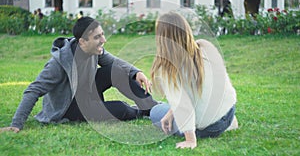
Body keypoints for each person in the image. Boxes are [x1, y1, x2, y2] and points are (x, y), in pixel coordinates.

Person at [0, 17, 158, 133]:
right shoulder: (58, 64)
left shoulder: (95, 50)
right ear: (82, 42)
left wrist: (137, 71)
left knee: (116, 70)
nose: (103, 40)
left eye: (102, 34)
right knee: (120, 108)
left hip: (88, 94)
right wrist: (16, 124)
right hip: (70, 108)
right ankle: (142, 113)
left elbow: (115, 63)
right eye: (97, 37)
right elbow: (33, 90)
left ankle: (154, 108)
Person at [149, 12, 238, 149]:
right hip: (229, 112)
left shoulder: (169, 68)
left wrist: (190, 139)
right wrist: (172, 112)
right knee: (169, 110)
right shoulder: (205, 47)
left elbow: (184, 105)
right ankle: (227, 122)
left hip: (210, 127)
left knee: (155, 111)